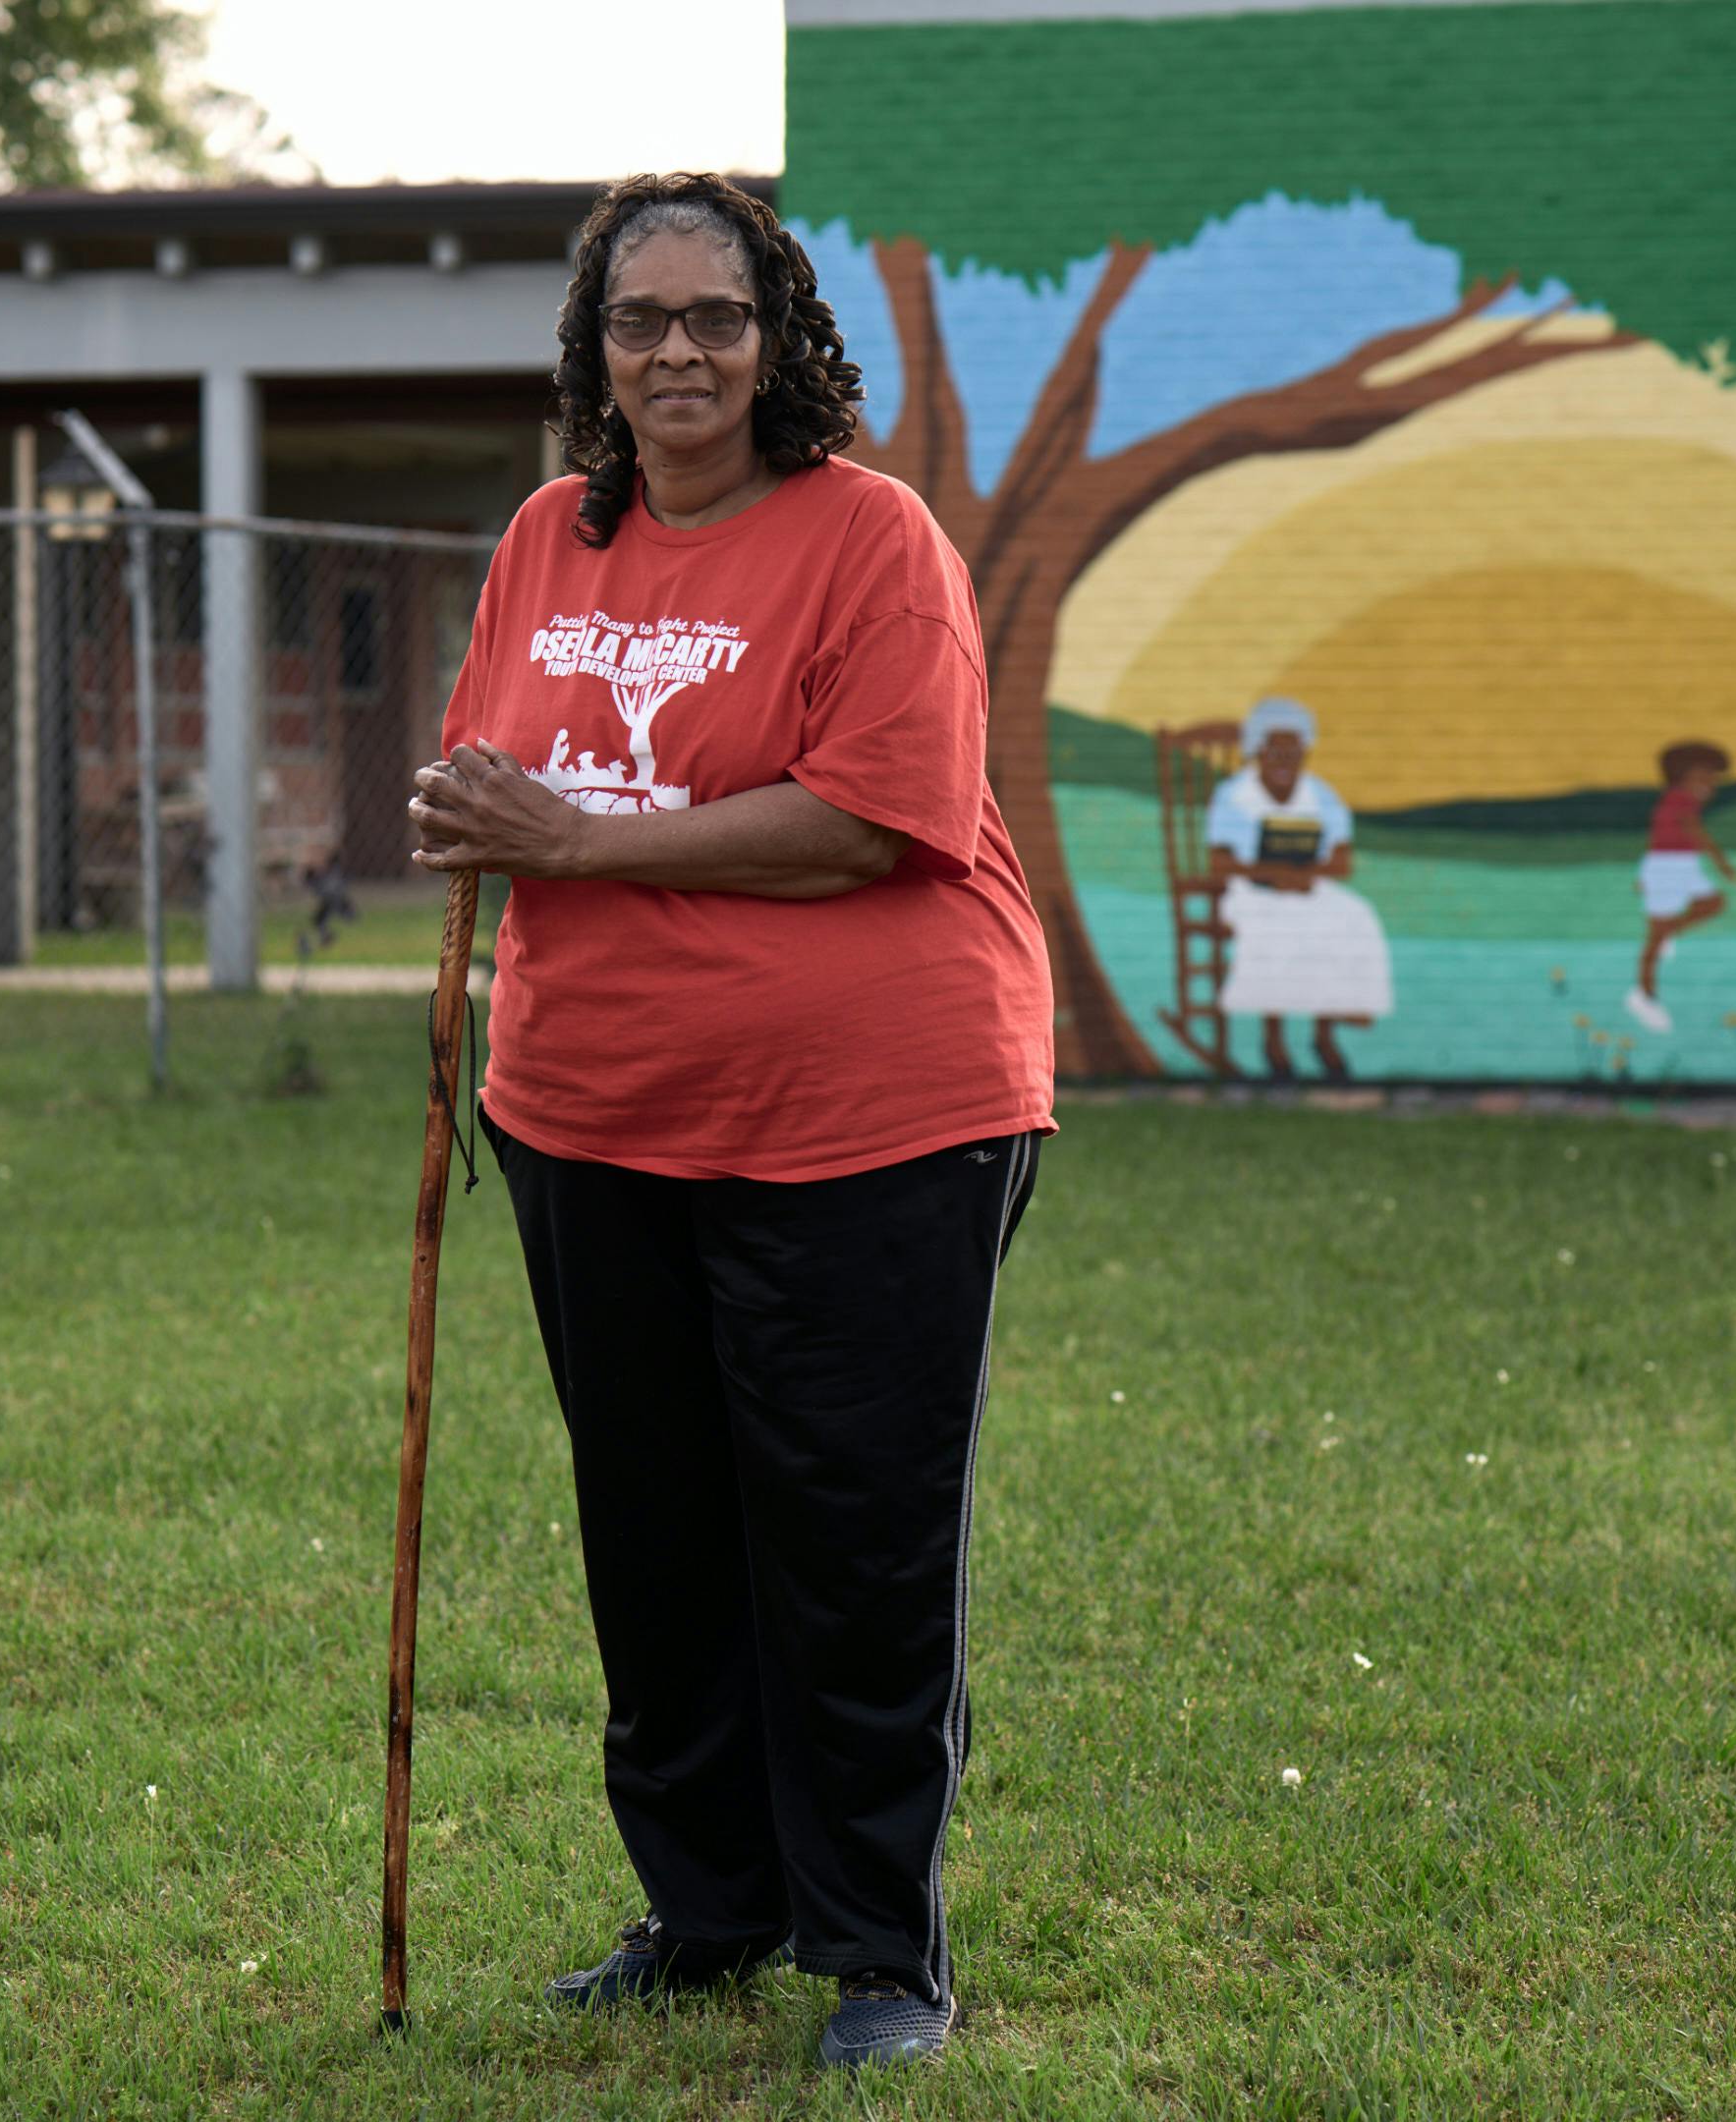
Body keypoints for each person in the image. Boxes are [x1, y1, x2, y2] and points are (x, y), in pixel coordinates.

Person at [404, 171, 1055, 2074]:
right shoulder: (552, 533)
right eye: (639, 321)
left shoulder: (872, 540)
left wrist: (581, 842)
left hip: (876, 1115)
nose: (677, 352)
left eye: (716, 316)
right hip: (593, 1112)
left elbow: (874, 817)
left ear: (778, 336)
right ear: (591, 350)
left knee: (851, 1537)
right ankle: (707, 1911)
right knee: (658, 1532)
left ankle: (880, 1953)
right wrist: (475, 815)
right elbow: (496, 771)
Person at [1203, 695, 1390, 1080]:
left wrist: (1305, 875)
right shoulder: (1233, 797)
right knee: (1280, 925)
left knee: (1351, 915)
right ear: (1259, 752)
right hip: (1250, 893)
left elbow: (1342, 859)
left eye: (1294, 753)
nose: (1285, 763)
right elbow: (1220, 861)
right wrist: (1271, 873)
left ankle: (1326, 1031)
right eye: (1276, 752)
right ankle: (1274, 1039)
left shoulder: (1320, 796)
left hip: (1307, 888)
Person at [1625, 739, 1735, 1033]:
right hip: (1667, 868)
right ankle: (1643, 996)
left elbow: (1663, 833)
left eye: (1714, 779)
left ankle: (1671, 932)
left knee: (1712, 903)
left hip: (1682, 865)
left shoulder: (1678, 800)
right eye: (1704, 777)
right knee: (1654, 937)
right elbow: (1694, 831)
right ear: (1682, 777)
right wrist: (1722, 863)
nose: (1711, 785)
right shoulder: (1680, 800)